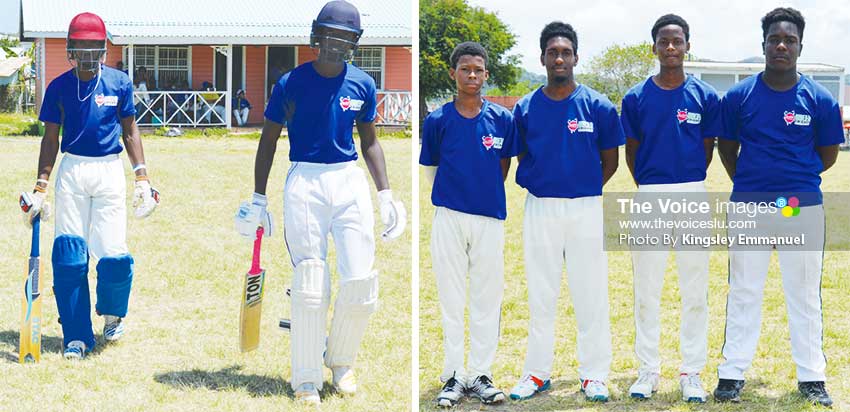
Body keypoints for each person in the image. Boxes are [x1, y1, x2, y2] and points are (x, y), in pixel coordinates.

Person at [234, 0, 406, 405]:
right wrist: (259, 198)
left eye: (344, 39)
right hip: (305, 181)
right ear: (316, 36)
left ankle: (341, 362)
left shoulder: (362, 84)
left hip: (348, 182)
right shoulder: (290, 83)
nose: (334, 45)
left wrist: (386, 194)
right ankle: (306, 377)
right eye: (328, 36)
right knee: (311, 283)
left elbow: (370, 142)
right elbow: (268, 141)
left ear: (354, 44)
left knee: (360, 279)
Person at [714, 8, 841, 407]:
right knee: (745, 291)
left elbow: (828, 154)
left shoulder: (819, 98)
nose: (781, 46)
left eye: (789, 40)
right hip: (750, 204)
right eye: (774, 39)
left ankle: (811, 377)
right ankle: (732, 374)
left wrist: (793, 183)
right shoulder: (739, 96)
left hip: (800, 207)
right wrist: (755, 185)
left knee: (803, 293)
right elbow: (727, 150)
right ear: (763, 44)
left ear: (800, 46)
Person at [21, 12, 159, 360]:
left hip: (109, 170)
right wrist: (41, 185)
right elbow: (50, 139)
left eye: (92, 48)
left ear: (102, 49)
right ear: (70, 49)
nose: (86, 54)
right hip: (72, 171)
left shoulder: (119, 83)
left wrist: (142, 177)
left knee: (113, 253)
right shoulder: (59, 86)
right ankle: (76, 335)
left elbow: (130, 131)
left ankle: (112, 315)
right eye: (79, 48)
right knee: (69, 255)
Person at [508, 21, 623, 402]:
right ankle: (538, 373)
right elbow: (524, 155)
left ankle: (594, 374)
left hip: (587, 208)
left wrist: (581, 190)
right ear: (542, 58)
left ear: (576, 57)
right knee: (542, 293)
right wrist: (551, 184)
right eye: (553, 52)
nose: (560, 58)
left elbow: (610, 162)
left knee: (590, 293)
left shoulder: (599, 106)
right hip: (541, 208)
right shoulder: (525, 107)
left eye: (566, 52)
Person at [620, 14, 721, 403]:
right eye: (664, 42)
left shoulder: (705, 96)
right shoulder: (636, 97)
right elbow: (632, 152)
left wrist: (687, 182)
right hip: (651, 194)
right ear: (654, 48)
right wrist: (651, 186)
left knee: (694, 288)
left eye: (678, 41)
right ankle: (647, 370)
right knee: (647, 287)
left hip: (693, 192)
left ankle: (691, 371)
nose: (671, 48)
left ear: (688, 46)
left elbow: (709, 146)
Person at [420, 41, 518, 408]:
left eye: (478, 69)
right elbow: (430, 169)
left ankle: (479, 374)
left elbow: (504, 167)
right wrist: (454, 197)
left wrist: (480, 196)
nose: (472, 75)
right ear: (453, 73)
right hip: (448, 216)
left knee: (486, 298)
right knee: (451, 296)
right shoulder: (438, 120)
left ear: (486, 75)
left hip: (489, 218)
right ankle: (453, 374)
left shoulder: (503, 120)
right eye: (465, 69)